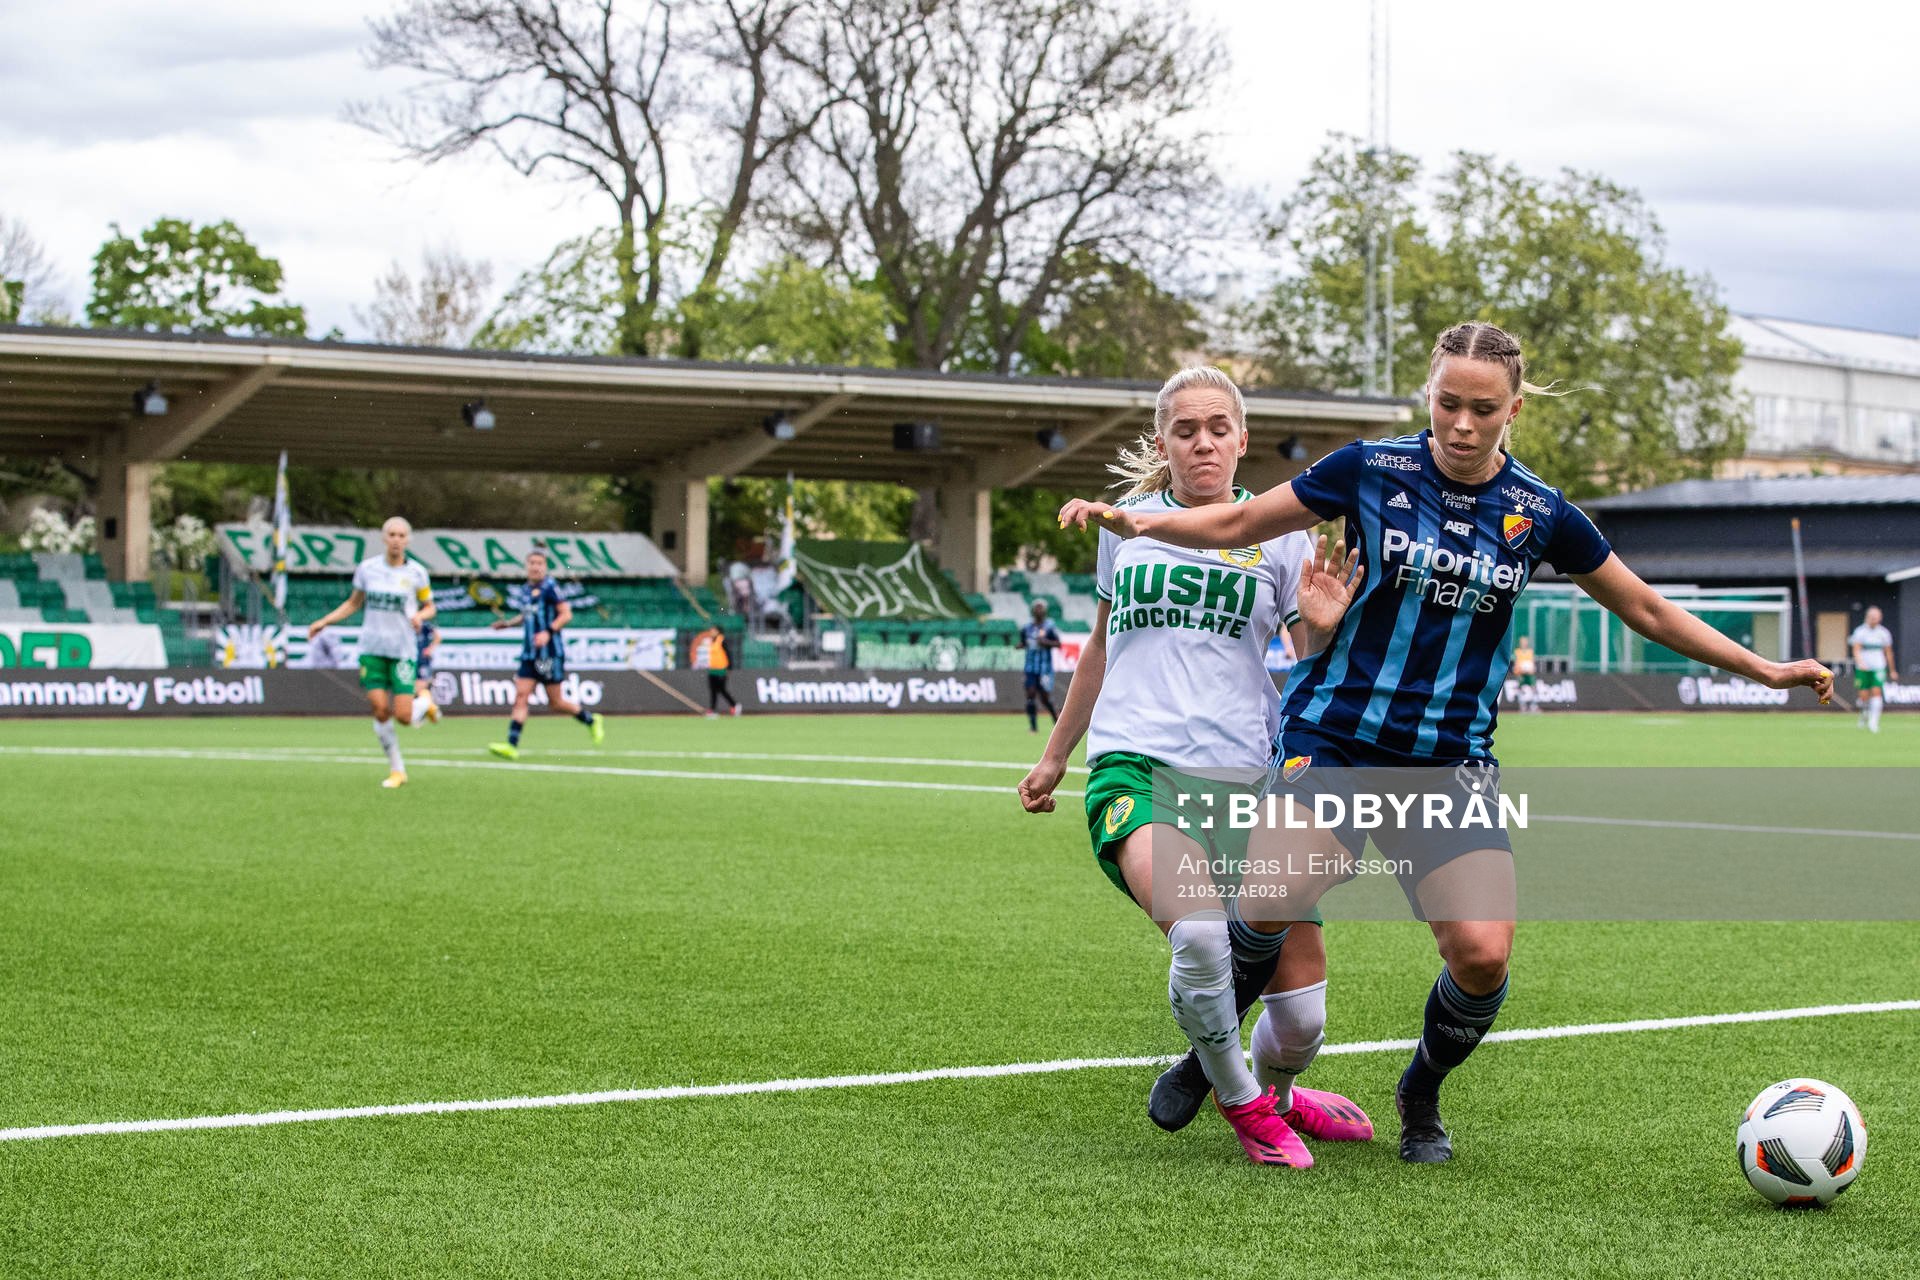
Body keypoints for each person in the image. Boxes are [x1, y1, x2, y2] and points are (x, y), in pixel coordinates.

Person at [1059, 322, 1833, 1164]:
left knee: (1481, 956)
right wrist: (1134, 522)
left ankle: (1420, 1091)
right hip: (1336, 738)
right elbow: (1240, 519)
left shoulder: (1540, 512)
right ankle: (1210, 1064)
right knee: (1272, 895)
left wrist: (1762, 667)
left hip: (1448, 761)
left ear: (1514, 410)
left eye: (1484, 409)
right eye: (1448, 403)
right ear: (1428, 395)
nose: (1463, 424)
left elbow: (1645, 607)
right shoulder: (1369, 469)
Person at [1019, 365, 1372, 1169]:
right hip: (1138, 767)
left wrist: (1321, 628)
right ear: (1162, 442)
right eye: (1186, 430)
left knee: (1304, 1021)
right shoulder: (1126, 525)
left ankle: (1282, 1093)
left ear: (1242, 439)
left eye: (1218, 428)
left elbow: (1310, 663)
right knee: (1205, 938)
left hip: (1250, 780)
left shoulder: (1281, 533)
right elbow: (1100, 647)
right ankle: (1243, 1102)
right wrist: (1054, 756)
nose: (1203, 442)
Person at [306, 516, 436, 788]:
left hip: (402, 651)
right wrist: (324, 621)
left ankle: (424, 701)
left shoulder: (417, 573)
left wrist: (420, 616)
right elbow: (353, 603)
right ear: (383, 538)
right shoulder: (367, 569)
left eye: (401, 535)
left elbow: (430, 607)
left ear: (408, 540)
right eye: (392, 534)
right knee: (380, 709)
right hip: (371, 648)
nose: (396, 540)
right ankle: (397, 770)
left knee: (404, 717)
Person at [486, 550, 607, 760]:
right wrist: (507, 624)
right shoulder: (525, 590)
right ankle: (511, 745)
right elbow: (526, 615)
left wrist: (548, 632)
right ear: (526, 565)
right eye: (532, 562)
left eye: (539, 563)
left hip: (548, 655)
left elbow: (566, 614)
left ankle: (591, 720)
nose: (535, 566)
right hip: (529, 654)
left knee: (556, 703)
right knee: (521, 696)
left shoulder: (551, 587)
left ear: (545, 566)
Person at [1849, 606, 1896, 733]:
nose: (1874, 620)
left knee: (1876, 691)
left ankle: (1873, 722)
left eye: (1876, 617)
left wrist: (1892, 670)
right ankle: (1864, 714)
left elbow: (1888, 652)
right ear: (1867, 617)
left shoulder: (1884, 633)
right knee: (1863, 696)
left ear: (1880, 618)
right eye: (1872, 617)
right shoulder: (1860, 631)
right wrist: (1860, 663)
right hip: (1863, 668)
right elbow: (1856, 650)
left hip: (1878, 667)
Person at [1020, 600, 1062, 732]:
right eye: (1037, 608)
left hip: (1045, 669)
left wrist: (1045, 642)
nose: (1039, 610)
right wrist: (1020, 645)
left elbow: (1058, 643)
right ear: (1033, 610)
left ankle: (1057, 722)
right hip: (1030, 668)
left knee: (1045, 698)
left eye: (1041, 608)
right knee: (1030, 695)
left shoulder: (1049, 626)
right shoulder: (1027, 627)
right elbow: (1023, 642)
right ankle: (1033, 727)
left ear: (1045, 611)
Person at [694, 625, 740, 717]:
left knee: (721, 689)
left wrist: (729, 668)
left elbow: (728, 654)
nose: (711, 632)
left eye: (713, 630)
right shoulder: (712, 641)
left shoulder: (722, 640)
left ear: (718, 631)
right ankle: (713, 710)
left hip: (721, 670)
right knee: (713, 691)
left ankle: (734, 705)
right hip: (713, 670)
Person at [410, 616, 442, 726]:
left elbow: (438, 637)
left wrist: (430, 649)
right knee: (414, 689)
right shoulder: (407, 627)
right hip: (410, 661)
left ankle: (426, 709)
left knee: (420, 687)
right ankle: (429, 708)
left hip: (423, 662)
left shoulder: (426, 626)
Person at [1511, 634, 1540, 713]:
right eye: (1522, 642)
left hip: (1529, 674)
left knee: (1534, 688)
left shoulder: (1530, 652)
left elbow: (1532, 663)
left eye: (1525, 642)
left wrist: (1532, 669)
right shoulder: (1517, 652)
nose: (1524, 643)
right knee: (1520, 689)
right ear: (1520, 643)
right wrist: (1519, 670)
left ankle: (1534, 706)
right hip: (1521, 673)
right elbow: (1516, 664)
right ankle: (1522, 706)